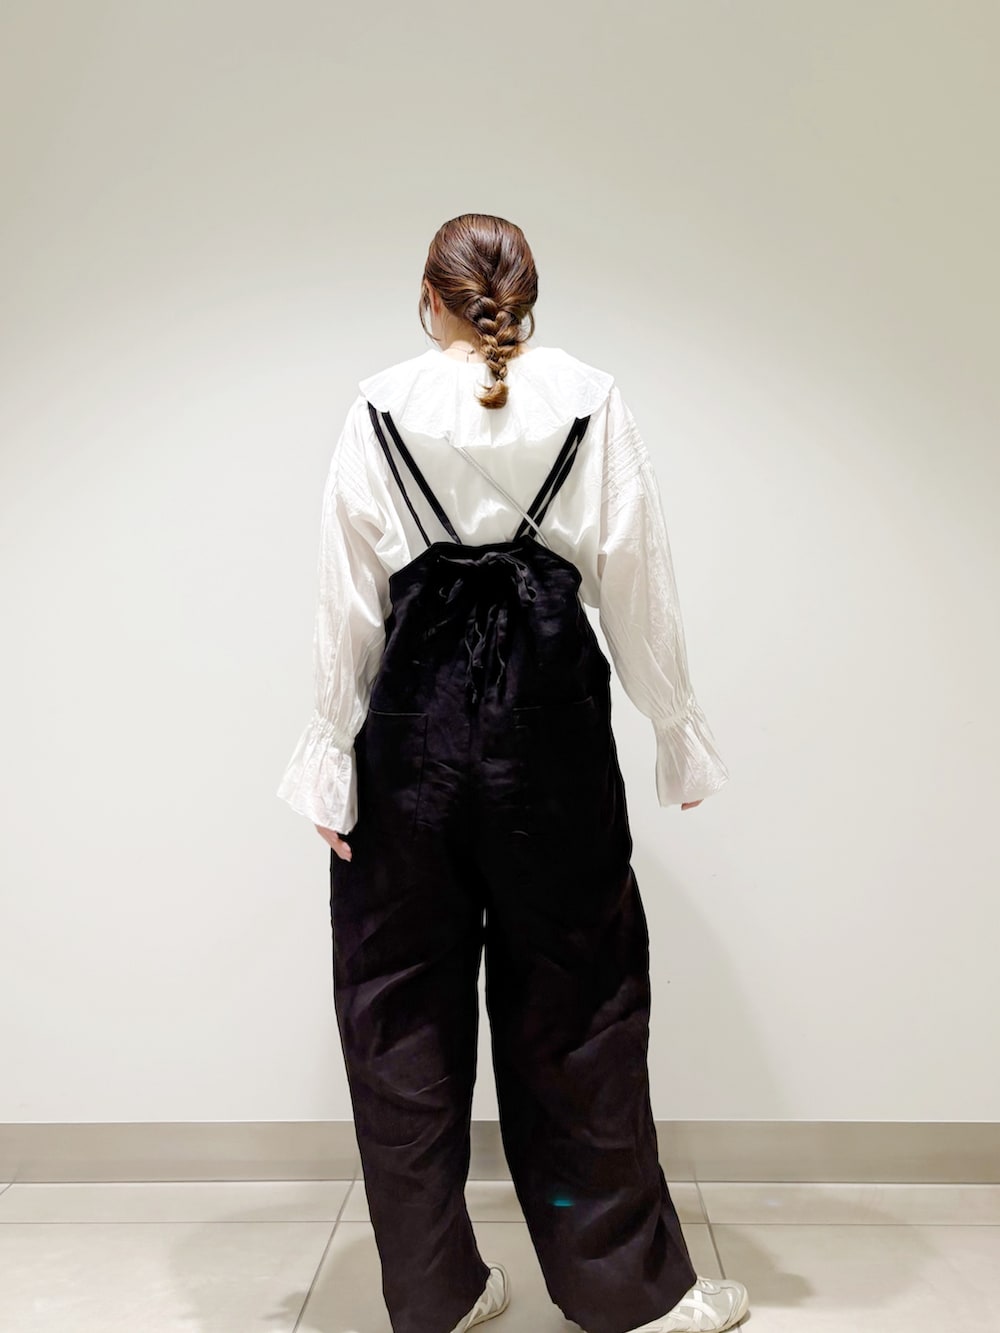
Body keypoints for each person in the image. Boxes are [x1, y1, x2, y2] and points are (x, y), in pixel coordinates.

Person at [277, 214, 748, 1333]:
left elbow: (348, 600)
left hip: (412, 745)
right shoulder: (589, 397)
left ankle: (437, 1294)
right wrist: (675, 731)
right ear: (526, 297)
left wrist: (329, 760)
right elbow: (635, 576)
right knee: (579, 1003)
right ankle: (624, 1292)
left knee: (399, 1009)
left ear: (428, 296)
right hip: (551, 739)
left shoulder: (379, 404)